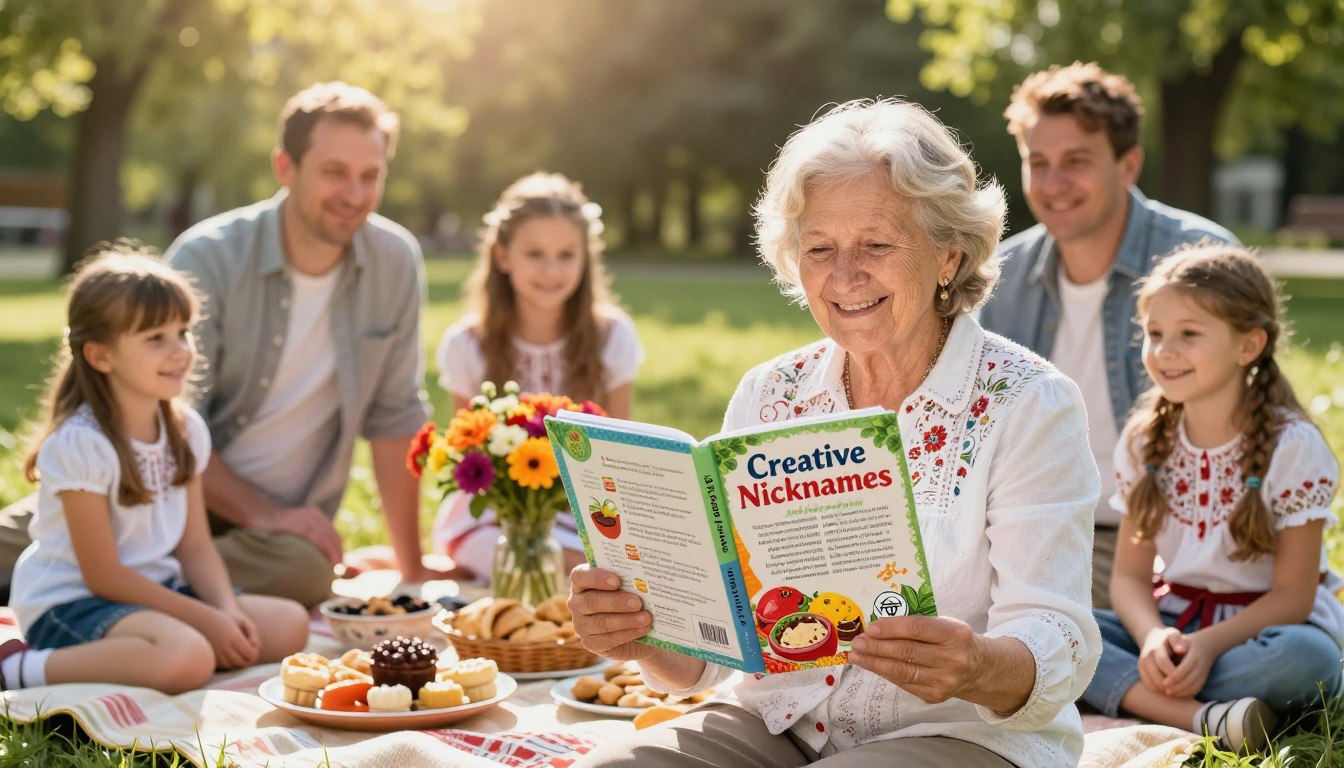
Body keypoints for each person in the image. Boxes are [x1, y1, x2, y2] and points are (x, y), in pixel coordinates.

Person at [568, 99, 1102, 767]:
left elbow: (1058, 640)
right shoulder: (770, 394)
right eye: (819, 248)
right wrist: (642, 637)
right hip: (778, 724)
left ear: (949, 255)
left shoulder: (1028, 402)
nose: (845, 275)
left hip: (962, 735)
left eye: (877, 244)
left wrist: (975, 665)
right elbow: (715, 652)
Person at [980, 62, 1239, 610]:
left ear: (1129, 164)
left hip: (1178, 542)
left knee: (1287, 656)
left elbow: (1253, 423)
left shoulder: (1200, 259)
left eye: (1076, 162)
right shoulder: (997, 280)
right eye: (1038, 163)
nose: (1052, 185)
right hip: (1040, 542)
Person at [0, 246, 309, 694]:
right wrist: (205, 619)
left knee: (288, 625)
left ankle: (159, 646)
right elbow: (102, 574)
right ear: (100, 356)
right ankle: (18, 669)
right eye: (155, 338)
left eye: (183, 332)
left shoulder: (184, 431)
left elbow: (196, 546)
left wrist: (226, 609)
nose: (180, 351)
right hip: (72, 603)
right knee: (188, 657)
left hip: (155, 591)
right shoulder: (81, 444)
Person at [1080, 243, 1343, 754]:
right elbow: (1130, 579)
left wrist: (1208, 647)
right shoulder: (1143, 440)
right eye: (1154, 334)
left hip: (1264, 633)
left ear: (1249, 345)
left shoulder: (1291, 446)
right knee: (1069, 631)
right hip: (1172, 626)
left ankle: (1136, 697)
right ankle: (1206, 717)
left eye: (1189, 334)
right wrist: (1156, 639)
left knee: (1305, 662)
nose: (1164, 351)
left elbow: (1293, 596)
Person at [432, 172, 643, 578]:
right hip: (497, 516)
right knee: (513, 556)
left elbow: (621, 455)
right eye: (534, 254)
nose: (552, 270)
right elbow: (471, 458)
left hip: (587, 512)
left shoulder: (611, 336)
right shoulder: (468, 344)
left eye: (566, 255)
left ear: (586, 259)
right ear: (502, 256)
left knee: (597, 568)